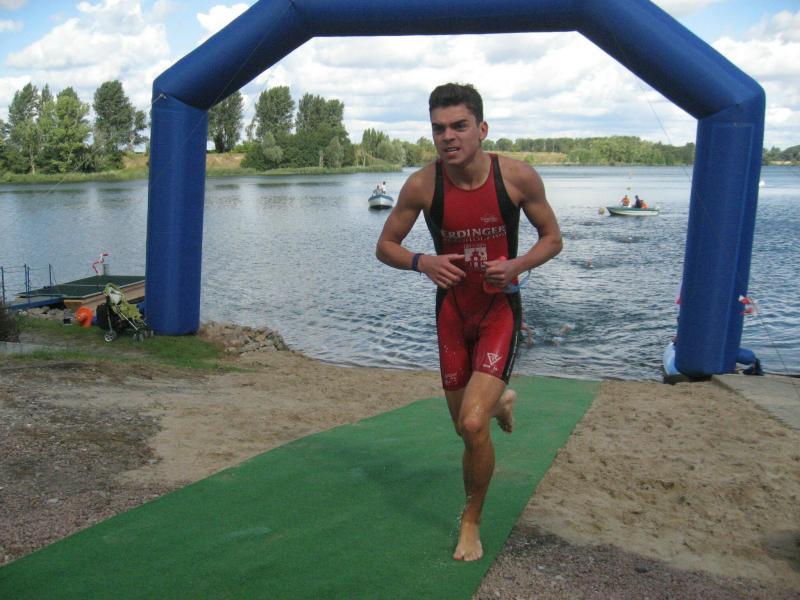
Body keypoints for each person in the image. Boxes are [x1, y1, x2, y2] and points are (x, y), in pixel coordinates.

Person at [376, 83, 562, 561]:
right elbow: (385, 246)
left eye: (459, 126)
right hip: (453, 314)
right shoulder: (423, 185)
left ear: (482, 129)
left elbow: (552, 238)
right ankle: (502, 401)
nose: (448, 137)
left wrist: (517, 265)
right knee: (465, 428)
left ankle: (471, 522)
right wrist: (423, 262)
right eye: (439, 129)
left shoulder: (516, 177)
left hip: (499, 309)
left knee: (473, 423)